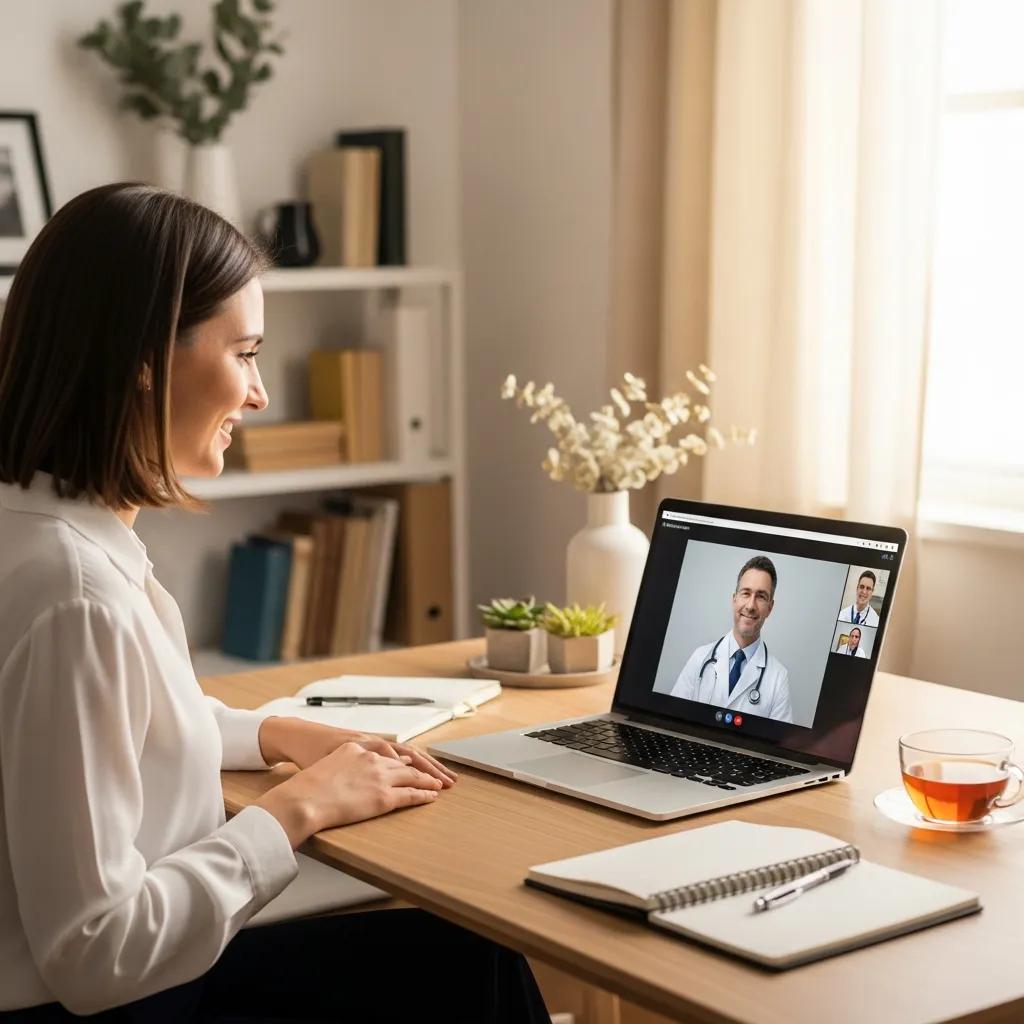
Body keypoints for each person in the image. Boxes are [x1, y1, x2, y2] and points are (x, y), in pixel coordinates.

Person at [0, 184, 549, 1023]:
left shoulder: (35, 532)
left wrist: (274, 732)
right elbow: (95, 952)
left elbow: (120, 724)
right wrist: (301, 808)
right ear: (145, 358)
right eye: (246, 353)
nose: (258, 395)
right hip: (102, 1006)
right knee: (472, 961)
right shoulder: (75, 598)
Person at [669, 556, 794, 723]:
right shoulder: (700, 657)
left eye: (761, 596)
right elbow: (670, 720)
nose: (750, 605)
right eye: (746, 593)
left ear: (770, 608)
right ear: (734, 599)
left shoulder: (778, 678)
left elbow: (777, 746)